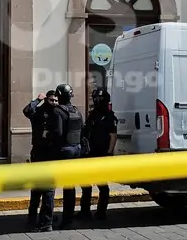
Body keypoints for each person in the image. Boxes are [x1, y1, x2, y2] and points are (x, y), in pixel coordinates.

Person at [22, 90, 59, 231]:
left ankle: (46, 220)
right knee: (37, 189)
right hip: (38, 153)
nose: (54, 103)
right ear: (46, 100)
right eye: (51, 100)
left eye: (56, 100)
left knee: (49, 190)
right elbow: (26, 110)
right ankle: (32, 219)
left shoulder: (58, 113)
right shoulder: (38, 112)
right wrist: (38, 99)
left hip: (52, 155)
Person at [51, 83, 85, 229]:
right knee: (70, 186)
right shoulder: (76, 110)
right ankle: (69, 217)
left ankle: (65, 220)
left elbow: (57, 132)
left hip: (64, 150)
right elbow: (82, 129)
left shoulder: (57, 111)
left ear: (59, 96)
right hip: (76, 149)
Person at [81, 87, 117, 221]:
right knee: (85, 183)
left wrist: (109, 153)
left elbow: (113, 135)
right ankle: (84, 211)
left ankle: (101, 212)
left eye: (99, 99)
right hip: (89, 153)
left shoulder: (109, 116)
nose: (96, 101)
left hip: (102, 154)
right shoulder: (92, 114)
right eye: (95, 98)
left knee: (102, 184)